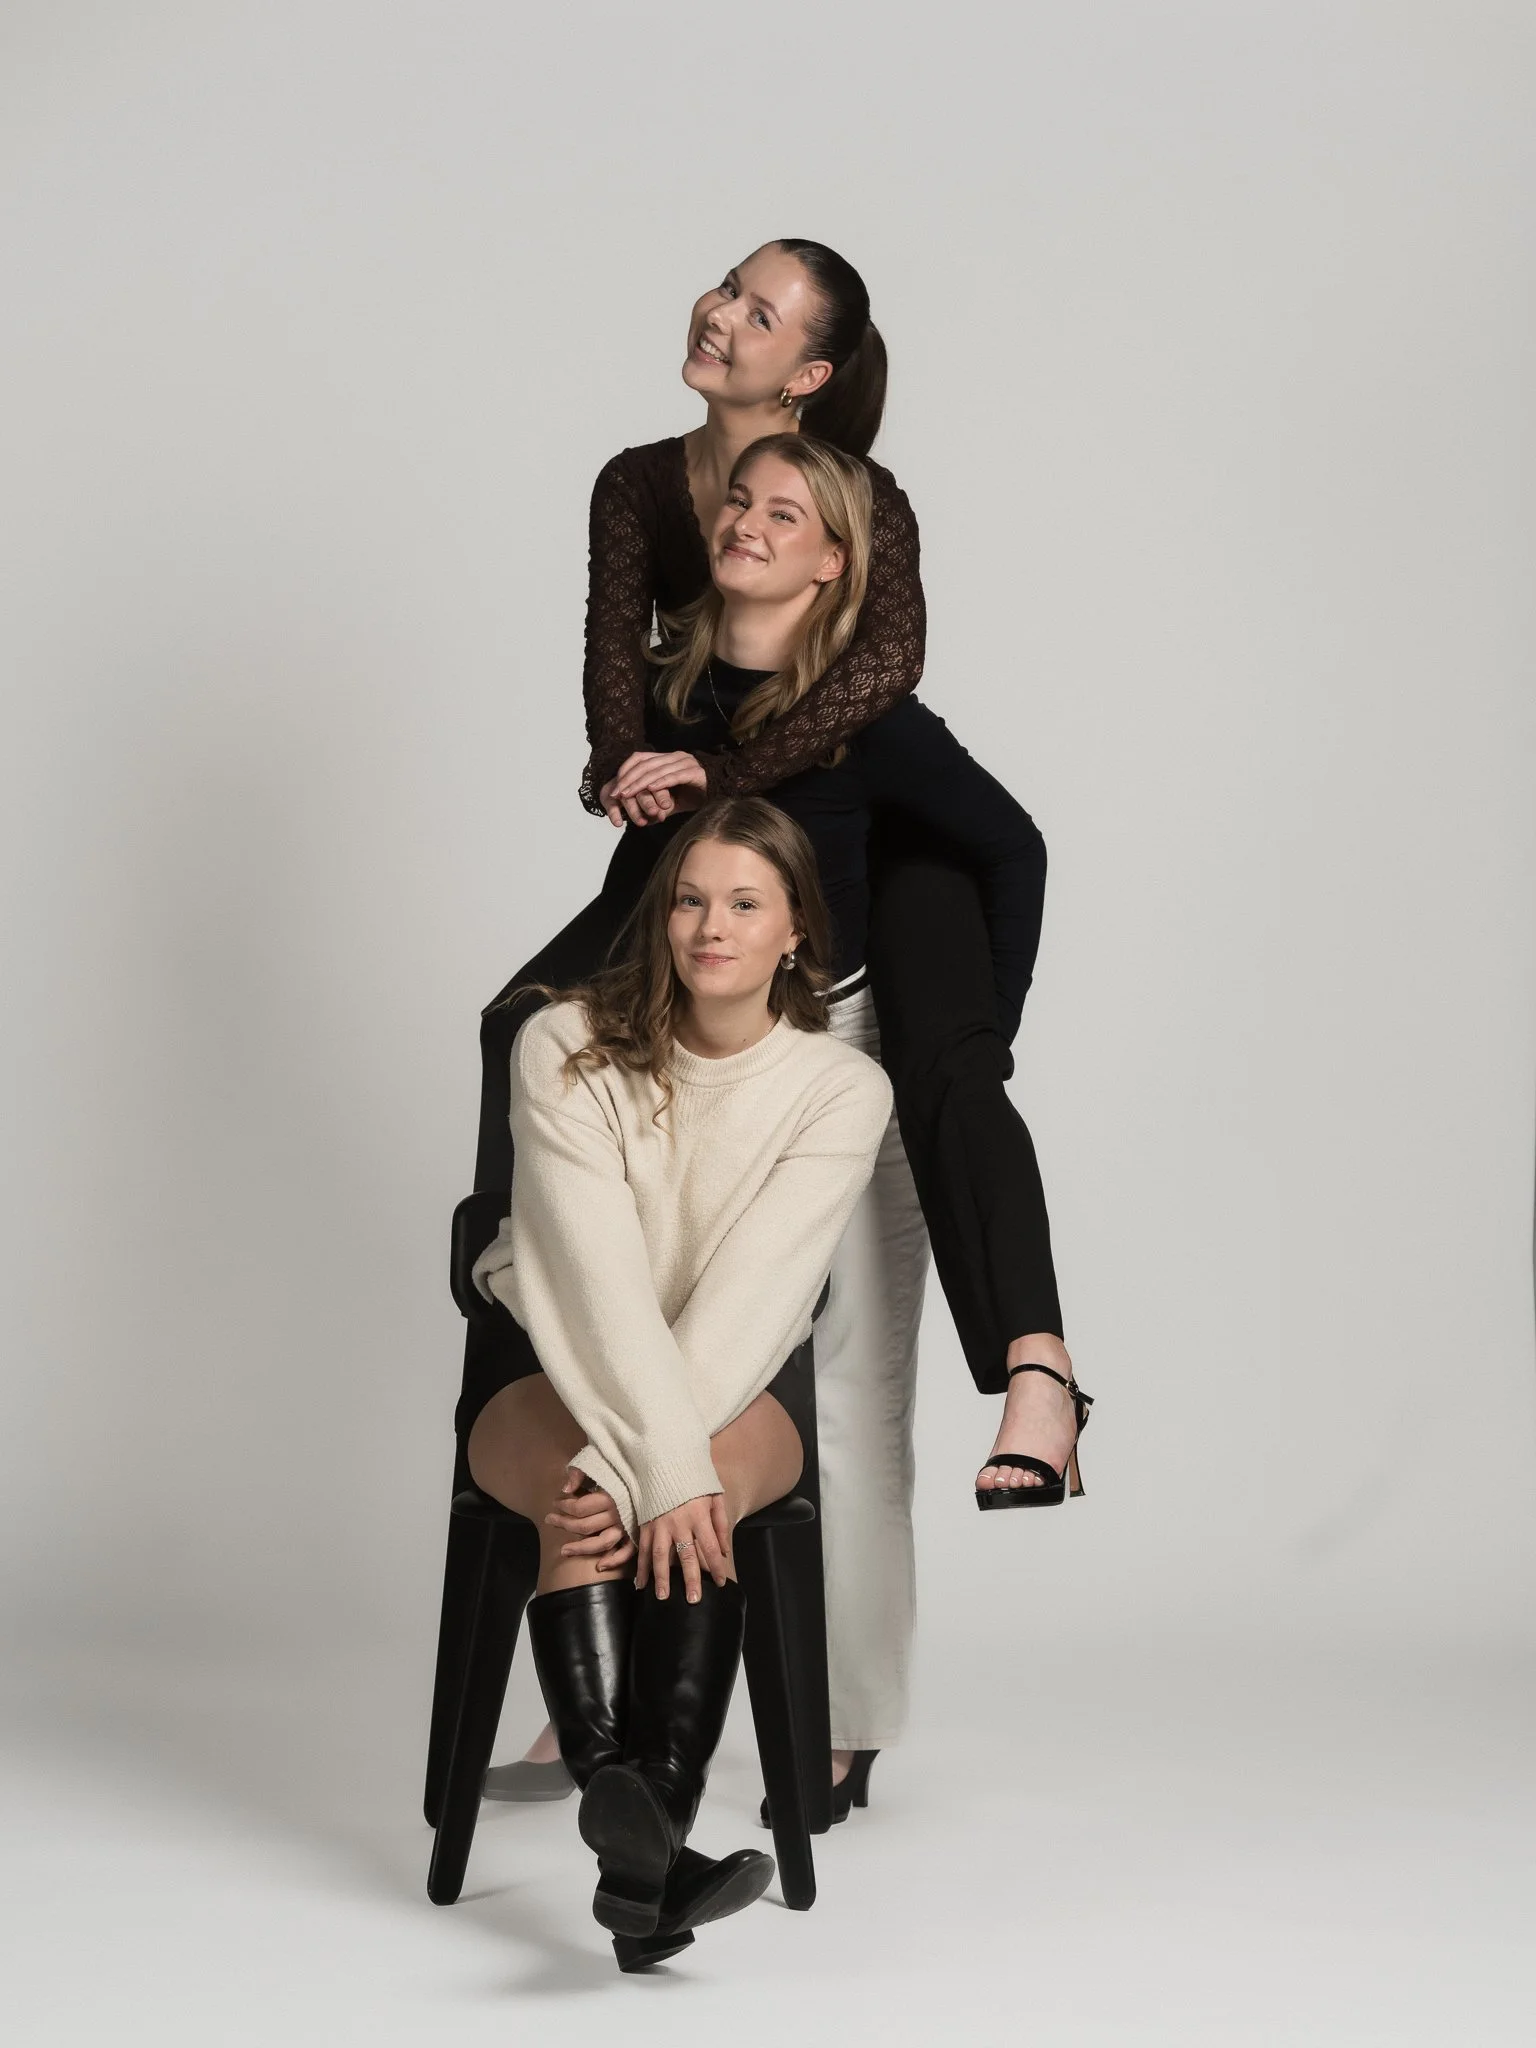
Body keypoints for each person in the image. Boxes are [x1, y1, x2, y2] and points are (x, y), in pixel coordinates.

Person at [473, 237, 1087, 1811]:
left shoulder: (853, 568)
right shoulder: (648, 501)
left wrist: (721, 782)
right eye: (723, 287)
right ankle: (526, 1303)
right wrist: (643, 769)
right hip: (724, 919)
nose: (715, 311)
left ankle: (845, 1715)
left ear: (813, 380)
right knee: (530, 1028)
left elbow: (883, 685)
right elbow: (626, 697)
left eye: (758, 308)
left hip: (873, 942)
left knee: (864, 1359)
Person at [464, 799, 890, 1971]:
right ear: (662, 917)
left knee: (636, 1491)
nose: (711, 925)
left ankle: (631, 1816)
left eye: (745, 902)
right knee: (593, 1480)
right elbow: (591, 1281)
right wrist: (646, 1462)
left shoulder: (839, 1090)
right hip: (552, 1355)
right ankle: (648, 1858)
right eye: (690, 898)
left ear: (796, 929)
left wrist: (652, 1465)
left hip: (733, 1372)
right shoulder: (563, 1041)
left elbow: (754, 1299)